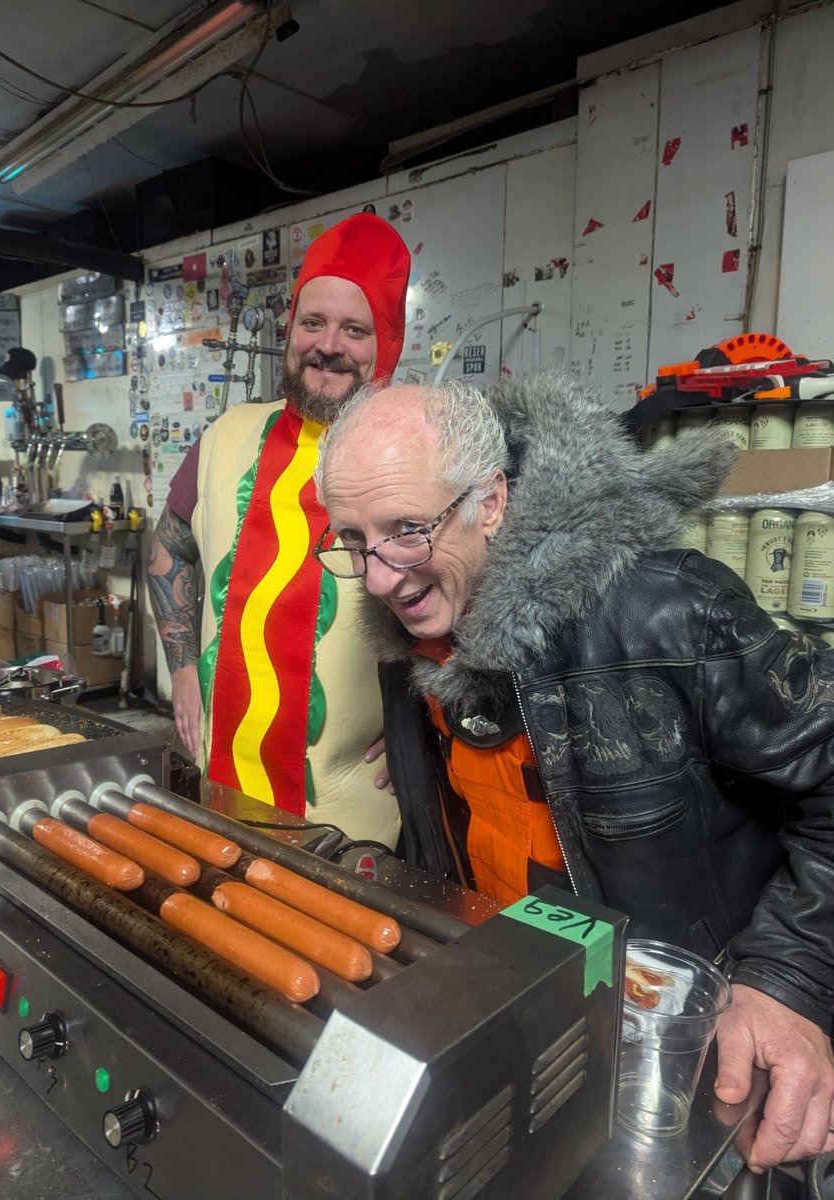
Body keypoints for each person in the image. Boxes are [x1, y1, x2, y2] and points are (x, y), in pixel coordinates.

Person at [313, 370, 834, 1173]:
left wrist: (787, 982)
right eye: (353, 540)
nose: (380, 577)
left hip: (679, 1049)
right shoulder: (414, 622)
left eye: (406, 528)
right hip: (520, 1016)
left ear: (491, 501)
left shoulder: (667, 608)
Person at [147, 213, 409, 846]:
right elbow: (169, 544)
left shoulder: (416, 450)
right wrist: (183, 667)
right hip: (222, 790)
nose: (328, 345)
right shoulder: (226, 435)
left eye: (355, 328)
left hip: (353, 811)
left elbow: (483, 602)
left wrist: (432, 730)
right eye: (312, 322)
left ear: (389, 342)